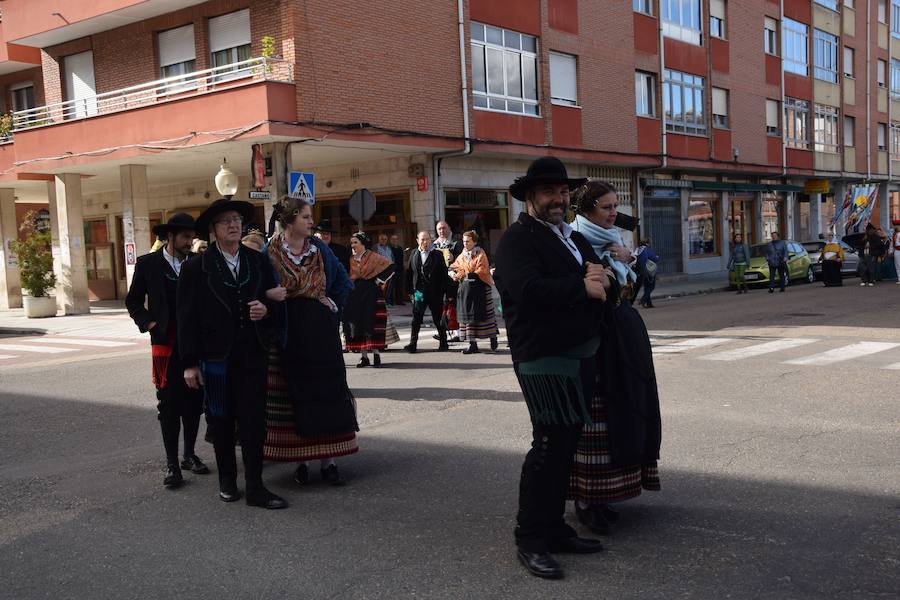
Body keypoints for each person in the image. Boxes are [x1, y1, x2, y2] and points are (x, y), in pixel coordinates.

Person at [495, 156, 614, 580]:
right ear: (530, 197)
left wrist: (603, 275)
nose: (557, 199)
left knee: (567, 446)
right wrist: (581, 285)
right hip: (543, 360)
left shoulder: (571, 237)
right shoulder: (517, 239)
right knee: (547, 449)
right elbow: (523, 289)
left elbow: (595, 274)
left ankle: (555, 528)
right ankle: (530, 539)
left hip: (579, 353)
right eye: (548, 192)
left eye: (563, 192)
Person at [177, 198, 287, 509]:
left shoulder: (256, 260)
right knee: (222, 420)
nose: (234, 224)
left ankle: (255, 487)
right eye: (226, 220)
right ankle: (227, 480)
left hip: (252, 353)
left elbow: (274, 299)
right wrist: (189, 363)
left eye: (237, 219)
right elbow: (187, 319)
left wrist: (265, 309)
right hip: (215, 358)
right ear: (212, 230)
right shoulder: (196, 267)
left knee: (254, 422)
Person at [568, 180, 662, 536]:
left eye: (614, 206)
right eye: (606, 207)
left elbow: (628, 293)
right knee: (596, 418)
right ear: (587, 209)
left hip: (622, 338)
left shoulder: (616, 243)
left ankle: (610, 495)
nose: (613, 214)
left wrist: (627, 260)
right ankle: (587, 499)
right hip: (595, 342)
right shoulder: (576, 242)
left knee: (625, 410)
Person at [262, 197, 358, 487]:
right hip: (289, 330)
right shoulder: (270, 251)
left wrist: (332, 307)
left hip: (320, 330)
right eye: (305, 217)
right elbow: (257, 286)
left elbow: (344, 282)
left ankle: (329, 463)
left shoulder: (320, 249)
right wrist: (269, 296)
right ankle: (301, 462)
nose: (310, 221)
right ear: (290, 220)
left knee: (327, 392)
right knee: (296, 396)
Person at [126, 213, 208, 488]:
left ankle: (189, 455)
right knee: (169, 405)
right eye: (185, 237)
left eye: (192, 237)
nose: (190, 242)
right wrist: (150, 324)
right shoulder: (148, 264)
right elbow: (133, 300)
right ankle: (172, 464)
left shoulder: (198, 264)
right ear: (170, 237)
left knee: (195, 404)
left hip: (194, 344)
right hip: (166, 344)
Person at [343, 232, 397, 367]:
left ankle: (376, 354)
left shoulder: (373, 256)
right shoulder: (350, 258)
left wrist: (378, 280)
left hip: (371, 293)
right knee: (358, 324)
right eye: (352, 243)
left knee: (372, 323)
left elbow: (391, 266)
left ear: (363, 244)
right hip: (355, 294)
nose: (353, 245)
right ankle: (364, 357)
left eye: (355, 242)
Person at [449, 230, 499, 354]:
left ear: (474, 242)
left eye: (468, 241)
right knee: (468, 318)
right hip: (466, 290)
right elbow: (455, 266)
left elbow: (482, 270)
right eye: (464, 241)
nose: (465, 244)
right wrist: (453, 272)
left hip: (481, 288)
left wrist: (467, 273)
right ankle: (472, 344)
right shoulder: (462, 255)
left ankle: (493, 337)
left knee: (486, 316)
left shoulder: (480, 253)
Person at [404, 230, 450, 353]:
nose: (425, 242)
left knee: (437, 319)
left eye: (427, 239)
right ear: (417, 240)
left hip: (435, 292)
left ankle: (443, 342)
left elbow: (444, 275)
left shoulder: (438, 254)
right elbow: (409, 273)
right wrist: (409, 291)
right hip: (419, 292)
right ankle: (412, 344)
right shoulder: (414, 253)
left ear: (431, 240)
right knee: (416, 319)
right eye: (422, 239)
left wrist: (446, 293)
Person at [435, 221, 464, 343]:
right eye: (439, 229)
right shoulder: (435, 244)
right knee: (442, 306)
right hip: (440, 280)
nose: (442, 231)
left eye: (444, 228)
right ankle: (443, 332)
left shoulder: (457, 242)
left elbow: (463, 258)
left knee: (454, 305)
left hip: (454, 280)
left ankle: (458, 332)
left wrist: (454, 258)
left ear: (449, 228)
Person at [635, 237, 661, 305]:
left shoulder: (638, 249)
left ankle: (649, 303)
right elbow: (654, 258)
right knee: (651, 286)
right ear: (647, 243)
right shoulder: (647, 249)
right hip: (648, 270)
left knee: (646, 287)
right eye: (649, 243)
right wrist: (657, 257)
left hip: (640, 271)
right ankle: (643, 300)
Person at [390, 234, 406, 306]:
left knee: (400, 286)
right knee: (391, 287)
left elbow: (402, 259)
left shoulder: (400, 248)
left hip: (400, 270)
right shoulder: (389, 249)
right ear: (390, 240)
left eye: (396, 239)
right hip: (392, 270)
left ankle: (399, 301)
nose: (394, 240)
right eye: (393, 239)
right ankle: (390, 301)